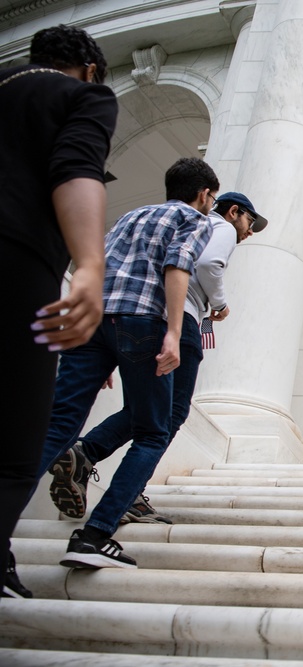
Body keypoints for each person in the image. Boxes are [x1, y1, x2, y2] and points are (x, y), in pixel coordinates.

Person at [32, 157, 218, 569]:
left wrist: (97, 344)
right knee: (154, 431)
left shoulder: (133, 214)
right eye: (212, 198)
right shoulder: (194, 218)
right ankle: (94, 536)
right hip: (143, 322)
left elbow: (96, 264)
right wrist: (172, 331)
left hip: (96, 320)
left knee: (60, 424)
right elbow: (176, 268)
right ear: (204, 194)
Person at [47, 191, 268, 524]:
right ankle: (121, 498)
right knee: (168, 417)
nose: (249, 232)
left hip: (126, 315)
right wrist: (220, 304)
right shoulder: (217, 226)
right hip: (176, 321)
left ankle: (85, 452)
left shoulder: (144, 218)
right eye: (250, 222)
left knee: (145, 409)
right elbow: (209, 264)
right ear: (233, 211)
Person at [0, 24, 118, 599]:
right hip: (15, 261)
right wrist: (89, 267)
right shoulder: (81, 97)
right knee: (18, 441)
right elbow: (75, 169)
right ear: (90, 69)